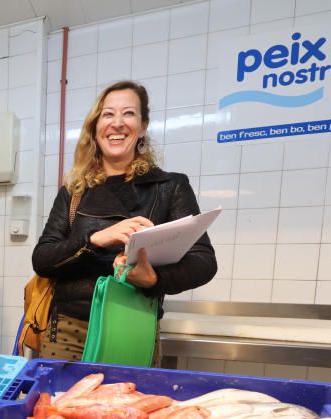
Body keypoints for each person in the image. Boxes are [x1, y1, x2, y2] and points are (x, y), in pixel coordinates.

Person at [31, 80, 217, 361]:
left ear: (142, 126)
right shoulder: (74, 191)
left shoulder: (170, 187)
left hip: (134, 324)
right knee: (60, 405)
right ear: (95, 127)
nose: (117, 123)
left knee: (128, 406)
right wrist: (94, 239)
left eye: (128, 114)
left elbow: (204, 262)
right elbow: (42, 259)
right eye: (107, 114)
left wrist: (154, 279)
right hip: (69, 330)